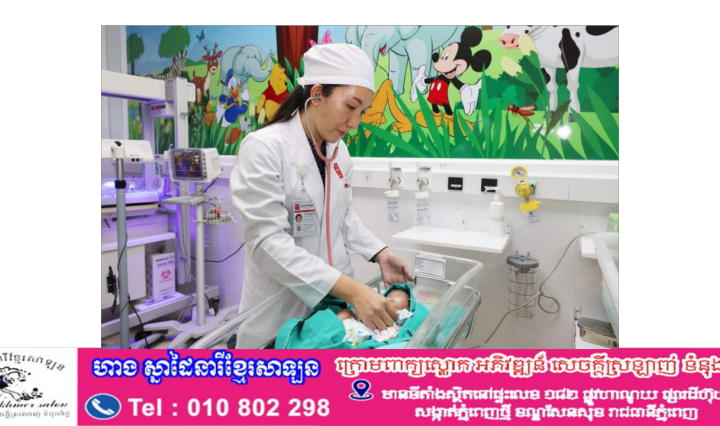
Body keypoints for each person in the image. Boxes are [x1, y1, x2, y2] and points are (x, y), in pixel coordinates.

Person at [230, 43, 414, 349]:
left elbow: (343, 215)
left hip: (333, 310)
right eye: (351, 106)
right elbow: (267, 243)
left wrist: (379, 252)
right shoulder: (264, 147)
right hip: (280, 309)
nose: (355, 123)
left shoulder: (339, 152)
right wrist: (353, 290)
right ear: (317, 94)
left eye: (363, 112)